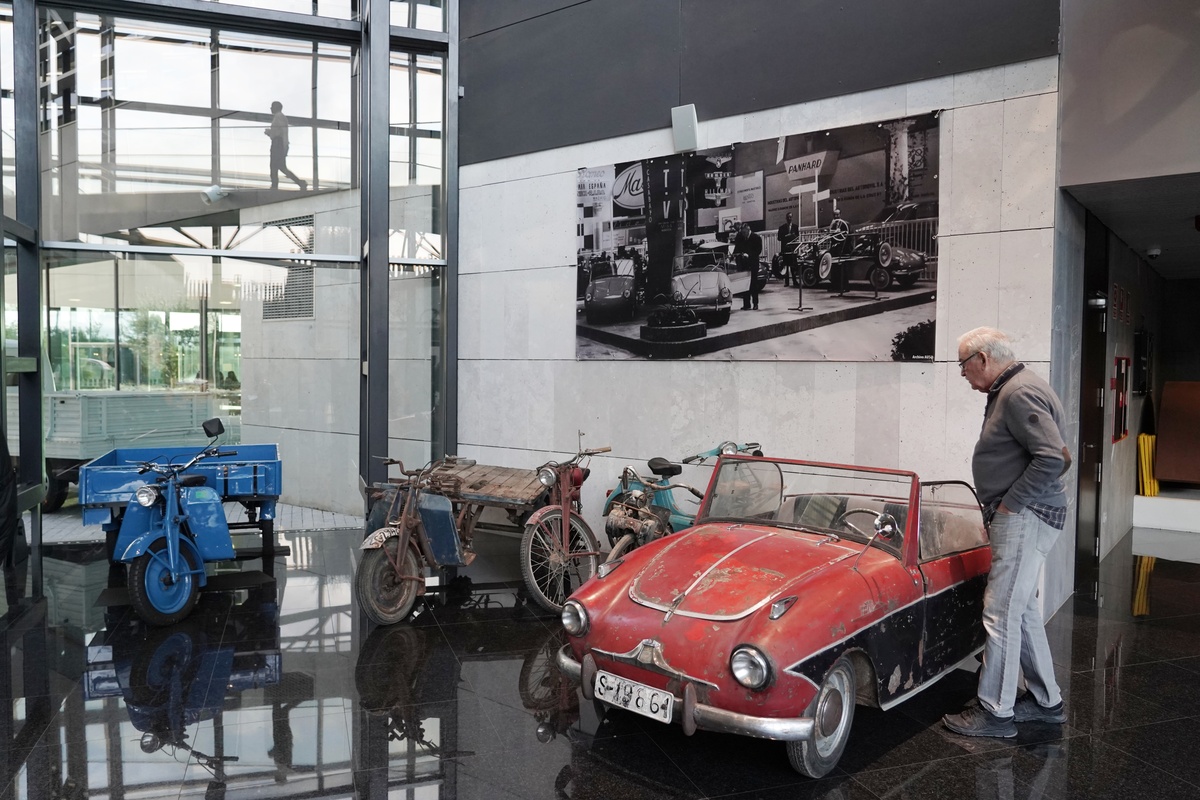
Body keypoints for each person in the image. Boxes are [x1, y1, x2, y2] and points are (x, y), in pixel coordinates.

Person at [943, 327, 1071, 738]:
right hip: (1028, 515)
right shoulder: (1017, 387)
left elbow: (1053, 458)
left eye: (963, 365)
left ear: (982, 358)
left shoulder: (1017, 392)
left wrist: (1011, 504)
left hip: (1025, 516)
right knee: (1022, 609)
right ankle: (1047, 701)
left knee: (1000, 611)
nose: (962, 374)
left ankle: (996, 711)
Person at [265, 101, 307, 191]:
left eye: (272, 107)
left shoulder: (279, 116)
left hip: (277, 144)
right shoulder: (279, 117)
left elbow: (282, 132)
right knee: (280, 166)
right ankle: (299, 182)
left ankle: (275, 186)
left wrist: (284, 145)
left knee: (275, 166)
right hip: (278, 143)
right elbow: (280, 132)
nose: (271, 108)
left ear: (276, 107)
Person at [733, 223, 762, 310]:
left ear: (748, 230)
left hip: (753, 263)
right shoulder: (740, 237)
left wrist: (749, 255)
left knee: (754, 284)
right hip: (743, 264)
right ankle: (746, 304)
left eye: (745, 233)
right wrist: (734, 255)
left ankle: (755, 304)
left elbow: (758, 251)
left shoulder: (756, 237)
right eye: (742, 233)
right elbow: (737, 248)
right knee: (744, 285)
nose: (743, 234)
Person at [777, 212, 799, 287]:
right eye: (788, 217)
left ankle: (794, 281)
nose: (789, 219)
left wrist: (793, 237)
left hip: (792, 248)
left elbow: (797, 237)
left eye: (790, 217)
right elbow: (779, 238)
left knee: (793, 266)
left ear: (792, 218)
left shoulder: (795, 227)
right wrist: (786, 236)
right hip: (785, 248)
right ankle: (786, 282)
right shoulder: (782, 227)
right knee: (786, 265)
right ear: (786, 218)